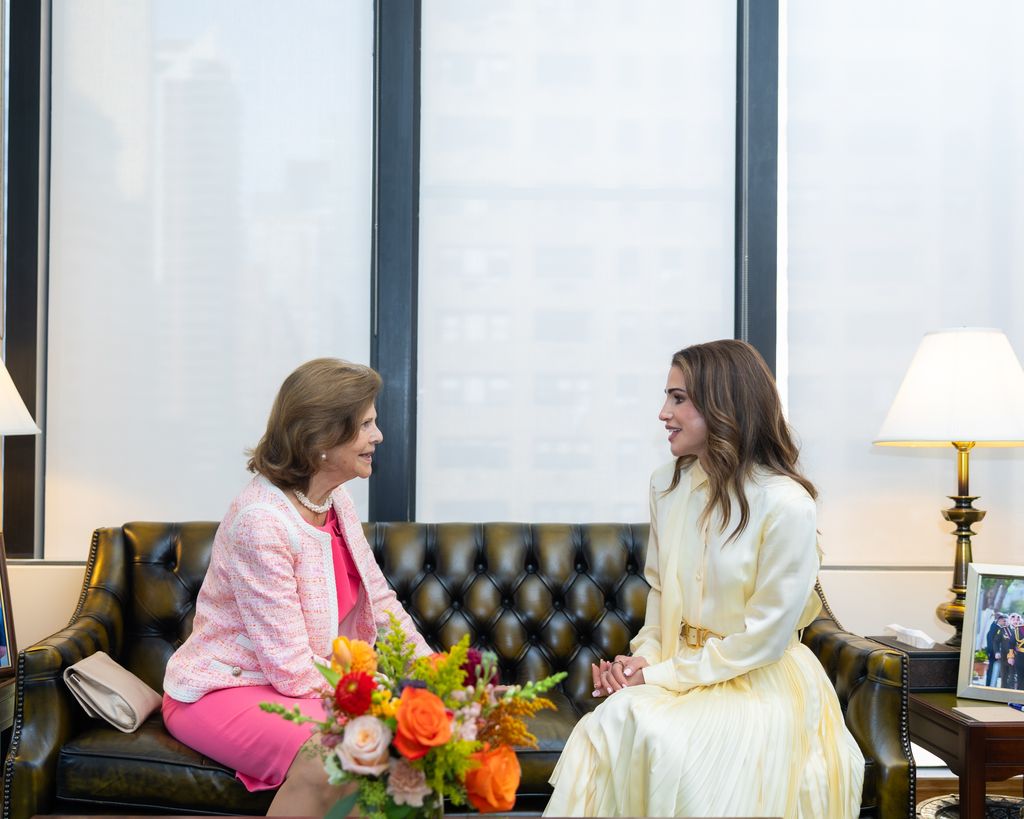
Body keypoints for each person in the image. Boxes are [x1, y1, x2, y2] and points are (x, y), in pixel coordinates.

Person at [544, 340, 865, 818]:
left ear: (723, 405)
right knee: (616, 718)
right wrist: (640, 661)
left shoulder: (786, 504)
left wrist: (656, 676)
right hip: (682, 670)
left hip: (759, 683)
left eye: (678, 398)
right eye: (667, 397)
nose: (663, 413)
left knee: (657, 735)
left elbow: (763, 641)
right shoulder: (666, 485)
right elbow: (660, 594)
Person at [163, 358, 431, 816]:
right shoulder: (262, 522)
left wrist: (433, 675)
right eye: (366, 424)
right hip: (223, 690)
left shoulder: (335, 500)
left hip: (298, 685)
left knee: (397, 748)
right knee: (339, 755)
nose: (379, 436)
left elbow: (381, 600)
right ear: (321, 438)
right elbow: (290, 669)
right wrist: (386, 690)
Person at [986, 613, 1008, 687]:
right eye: (1004, 621)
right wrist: (996, 652)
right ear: (1000, 620)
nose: (1005, 623)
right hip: (994, 654)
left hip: (995, 653)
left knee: (994, 670)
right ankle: (990, 685)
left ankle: (991, 684)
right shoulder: (995, 627)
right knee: (992, 670)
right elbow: (991, 641)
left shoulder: (995, 627)